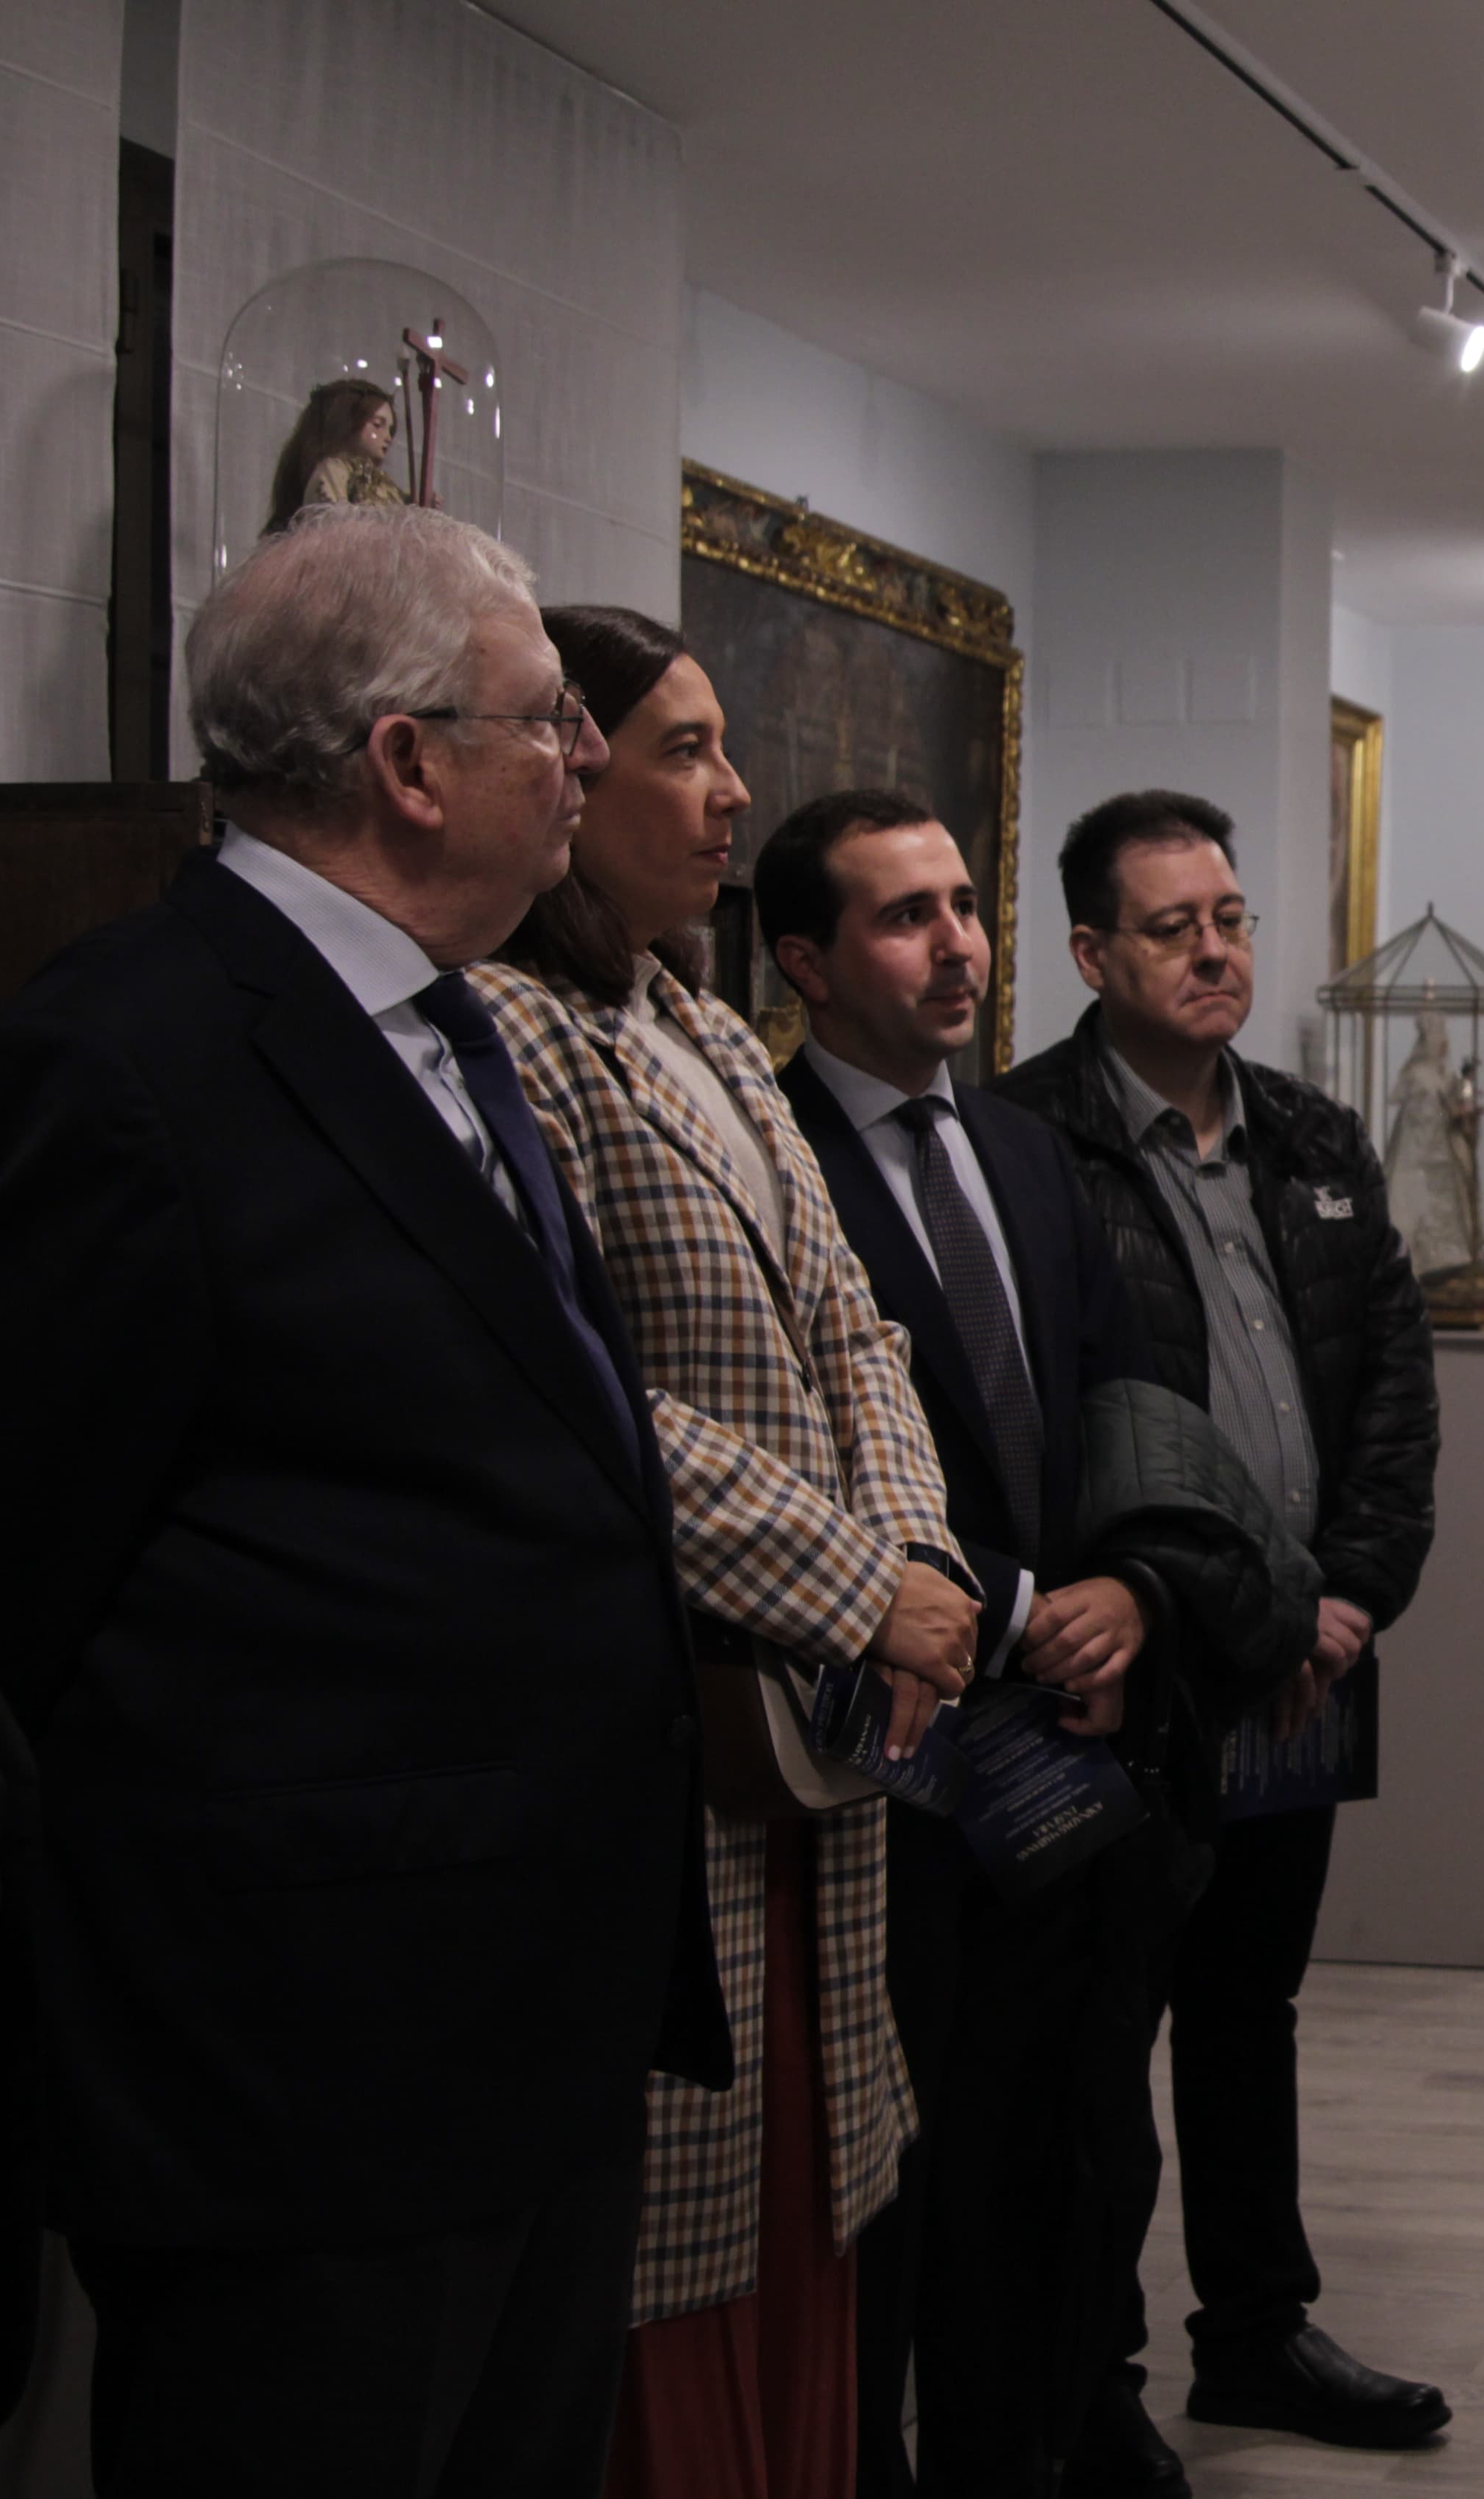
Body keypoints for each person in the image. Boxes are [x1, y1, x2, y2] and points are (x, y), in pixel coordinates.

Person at [0, 505, 723, 2495]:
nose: (592, 764)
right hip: (295, 2075)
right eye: (551, 723)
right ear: (405, 762)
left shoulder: (458, 1026)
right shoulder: (120, 1063)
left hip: (518, 2030)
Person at [479, 606, 975, 2499]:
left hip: (817, 1740)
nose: (731, 787)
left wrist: (917, 1570)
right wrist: (862, 1586)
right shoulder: (512, 1032)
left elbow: (857, 1332)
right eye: (683, 748)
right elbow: (583, 1395)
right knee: (663, 2271)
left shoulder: (697, 1025)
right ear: (569, 773)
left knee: (806, 2227)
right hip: (673, 1726)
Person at [996, 790, 1449, 2471]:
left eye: (1235, 917)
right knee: (1104, 2031)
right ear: (1093, 952)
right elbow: (1047, 1424)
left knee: (1250, 2011)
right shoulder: (1024, 1140)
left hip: (1299, 1667)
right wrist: (1195, 1604)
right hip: (1137, 1675)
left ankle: (1253, 2331)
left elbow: (1391, 1392)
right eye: (1175, 924)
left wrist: (1349, 1589)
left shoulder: (1315, 1138)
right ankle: (1089, 2379)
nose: (1216, 950)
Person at [757, 788, 1158, 2499]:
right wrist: (1003, 1601)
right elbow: (806, 1460)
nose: (957, 944)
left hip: (1076, 1752)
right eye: (904, 916)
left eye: (963, 906)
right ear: (803, 959)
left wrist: (1131, 1586)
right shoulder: (767, 1155)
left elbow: (1117, 1398)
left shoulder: (1019, 1147)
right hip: (891, 1772)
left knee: (1048, 2171)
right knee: (894, 2204)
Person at [266, 379, 407, 535]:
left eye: (390, 430)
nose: (387, 437)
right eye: (377, 425)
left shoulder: (379, 481)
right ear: (349, 424)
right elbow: (335, 526)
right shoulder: (333, 470)